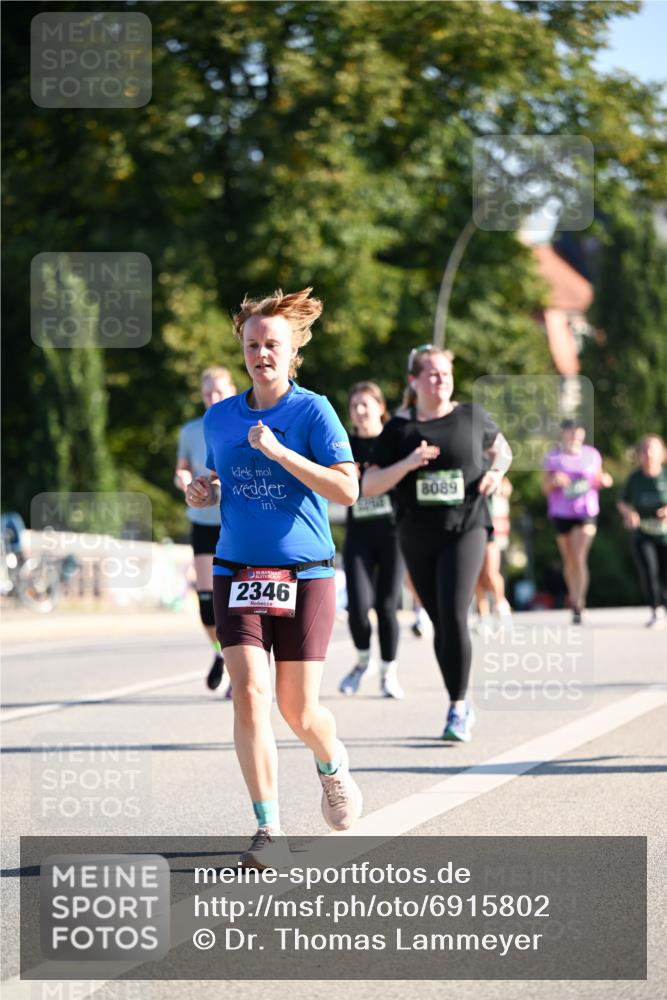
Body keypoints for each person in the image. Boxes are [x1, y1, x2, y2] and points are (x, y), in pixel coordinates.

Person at [186, 287, 362, 869]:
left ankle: (332, 763)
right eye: (252, 345)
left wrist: (284, 455)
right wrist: (204, 490)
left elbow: (348, 489)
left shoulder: (313, 412)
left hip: (306, 573)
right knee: (249, 695)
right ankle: (269, 829)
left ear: (292, 352)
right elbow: (221, 478)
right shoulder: (220, 418)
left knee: (298, 711)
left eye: (272, 345)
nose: (261, 354)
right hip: (236, 569)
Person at [363, 346, 512, 742]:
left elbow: (502, 451)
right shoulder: (399, 429)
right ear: (414, 381)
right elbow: (369, 485)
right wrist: (407, 464)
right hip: (416, 533)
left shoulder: (471, 416)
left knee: (454, 612)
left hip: (467, 526)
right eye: (431, 374)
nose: (441, 380)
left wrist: (496, 473)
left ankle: (458, 707)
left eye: (445, 373)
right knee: (440, 621)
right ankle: (456, 700)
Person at [338, 381, 405, 698]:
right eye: (354, 406)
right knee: (358, 607)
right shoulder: (343, 445)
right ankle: (363, 662)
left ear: (381, 408)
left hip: (393, 535)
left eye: (366, 404)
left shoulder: (394, 441)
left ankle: (388, 672)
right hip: (359, 536)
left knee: (387, 605)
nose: (360, 411)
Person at [175, 367, 236, 692]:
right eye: (208, 393)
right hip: (202, 520)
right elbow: (182, 469)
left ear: (232, 391)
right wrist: (184, 480)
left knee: (235, 601)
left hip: (235, 521)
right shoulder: (189, 431)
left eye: (219, 392)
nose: (213, 398)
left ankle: (239, 666)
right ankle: (220, 652)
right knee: (207, 604)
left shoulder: (243, 425)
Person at [542, 419, 613, 624]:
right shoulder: (554, 457)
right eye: (570, 431)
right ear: (563, 433)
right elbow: (544, 488)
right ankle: (573, 597)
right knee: (569, 559)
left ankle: (579, 603)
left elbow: (600, 478)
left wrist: (605, 481)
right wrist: (554, 481)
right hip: (561, 513)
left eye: (578, 431)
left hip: (586, 512)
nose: (574, 435)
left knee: (580, 556)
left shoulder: (592, 455)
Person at [617, 434, 667, 628]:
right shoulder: (635, 479)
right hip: (643, 534)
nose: (648, 454)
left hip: (664, 535)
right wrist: (630, 513)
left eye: (652, 449)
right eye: (644, 449)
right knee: (649, 571)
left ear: (662, 454)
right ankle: (656, 610)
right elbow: (622, 502)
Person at [474, 476, 513, 627]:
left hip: (494, 528)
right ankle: (483, 615)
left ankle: (501, 605)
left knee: (490, 572)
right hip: (474, 523)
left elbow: (506, 489)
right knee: (476, 574)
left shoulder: (498, 476)